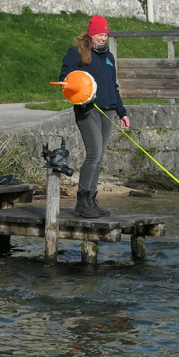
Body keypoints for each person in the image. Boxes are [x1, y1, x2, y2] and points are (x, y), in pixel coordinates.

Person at [60, 14, 130, 218]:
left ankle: (91, 199)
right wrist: (84, 95)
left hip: (108, 110)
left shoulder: (109, 57)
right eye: (100, 34)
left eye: (105, 35)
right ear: (91, 34)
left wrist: (122, 112)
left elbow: (114, 86)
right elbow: (66, 80)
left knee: (99, 157)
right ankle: (82, 201)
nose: (103, 38)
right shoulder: (76, 53)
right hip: (88, 109)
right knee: (94, 153)